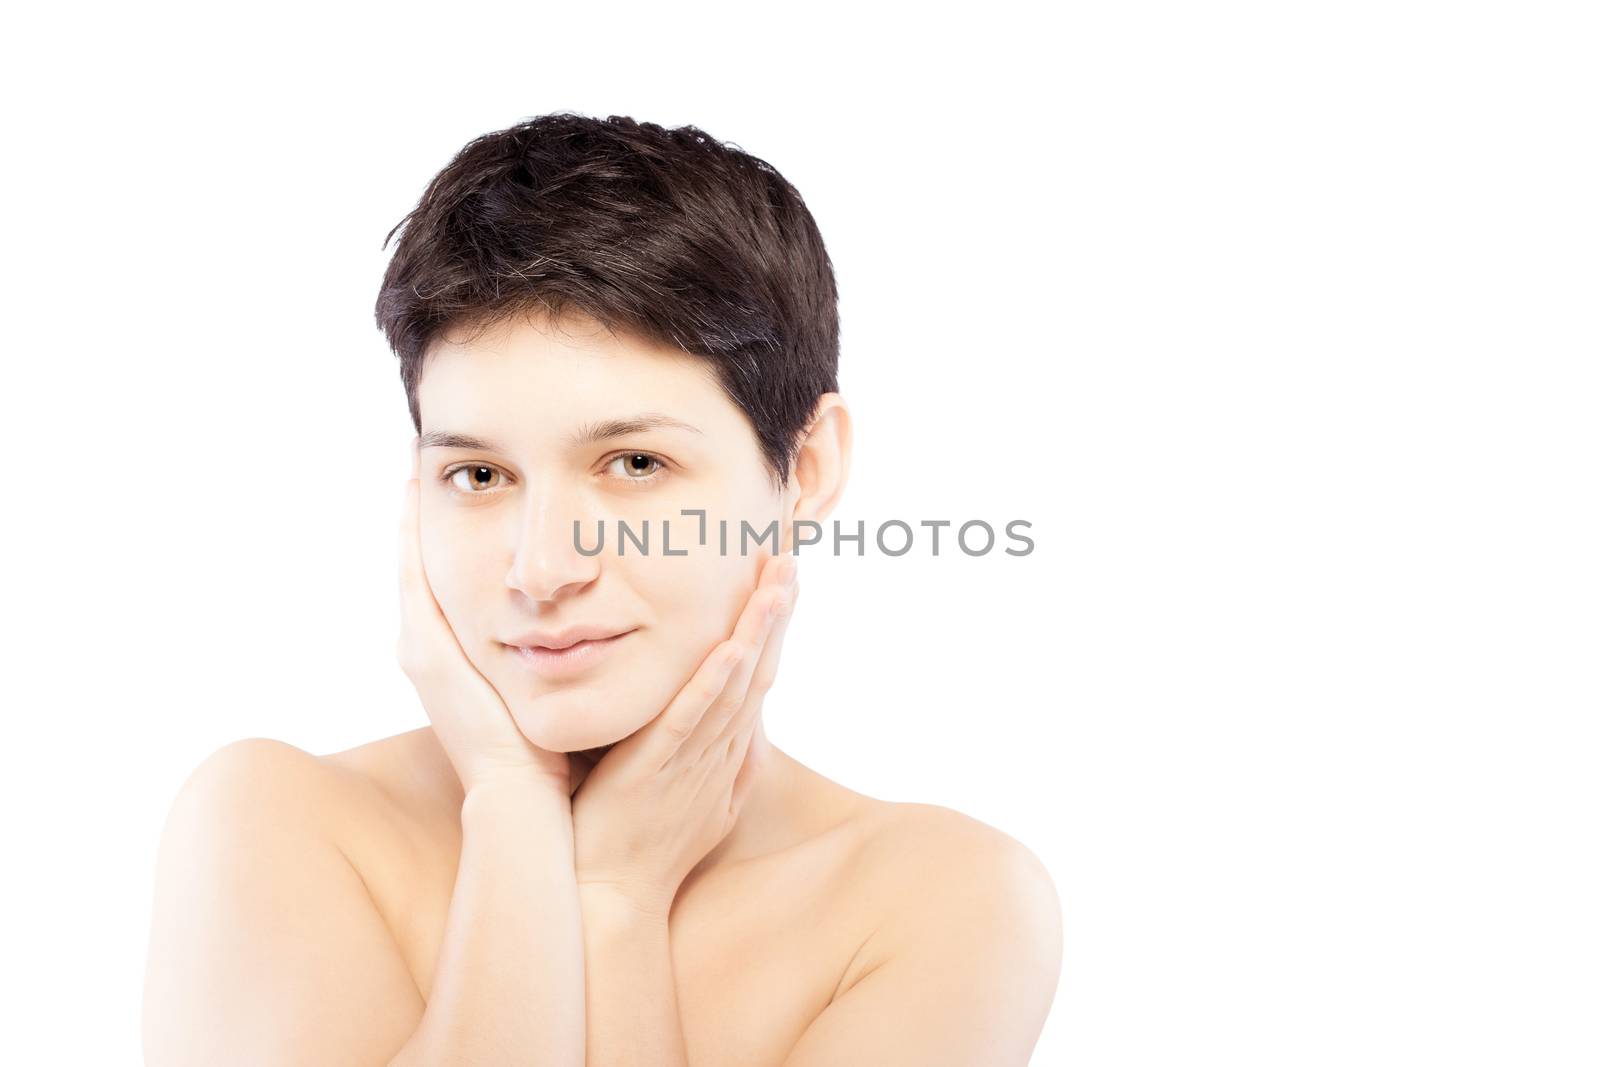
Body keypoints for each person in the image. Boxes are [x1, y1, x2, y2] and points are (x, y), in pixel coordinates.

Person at [142, 112, 1062, 1065]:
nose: (541, 569)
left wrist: (615, 902)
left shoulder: (938, 903)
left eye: (633, 463)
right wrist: (508, 807)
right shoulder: (274, 824)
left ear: (810, 466)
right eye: (480, 476)